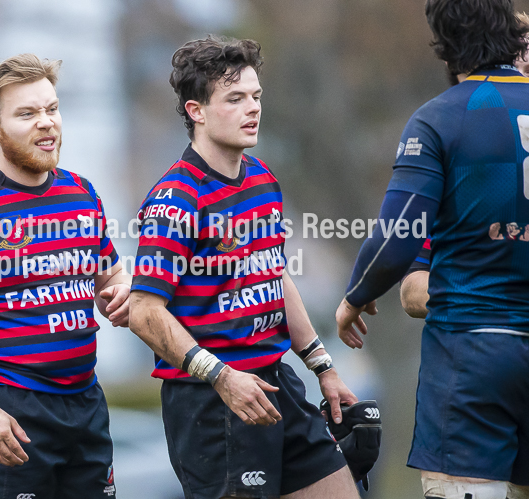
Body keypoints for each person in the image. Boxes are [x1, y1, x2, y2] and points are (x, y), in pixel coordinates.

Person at [128, 36, 361, 499]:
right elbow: (143, 310)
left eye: (255, 97)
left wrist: (323, 366)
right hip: (211, 400)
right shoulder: (176, 198)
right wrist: (220, 375)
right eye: (234, 99)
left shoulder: (262, 179)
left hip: (277, 382)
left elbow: (274, 275)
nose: (252, 109)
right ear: (196, 111)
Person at [335, 0, 529, 496]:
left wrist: (355, 296)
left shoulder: (440, 118)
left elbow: (398, 235)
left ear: (445, 44)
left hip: (473, 356)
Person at [0, 54, 130, 498]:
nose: (47, 123)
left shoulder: (82, 191)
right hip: (10, 410)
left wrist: (125, 292)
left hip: (86, 403)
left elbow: (112, 279)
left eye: (52, 109)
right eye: (28, 114)